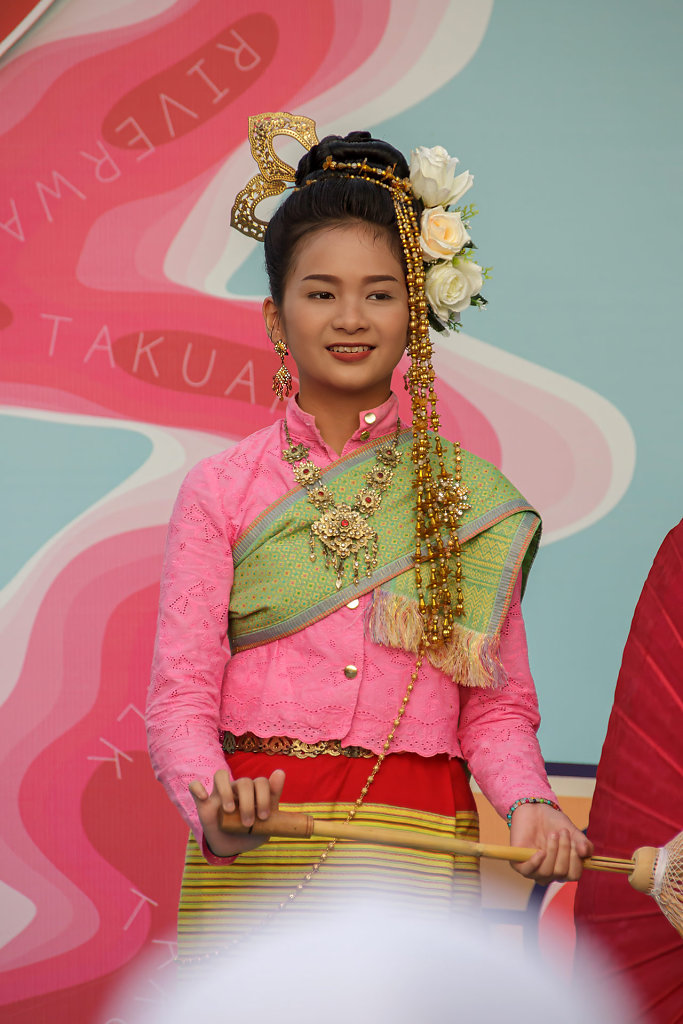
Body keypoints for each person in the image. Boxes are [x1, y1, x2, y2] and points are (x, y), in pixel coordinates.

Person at [146, 112, 592, 962]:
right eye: (320, 292)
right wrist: (217, 809)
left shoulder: (464, 498)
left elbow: (493, 706)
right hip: (262, 838)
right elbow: (179, 699)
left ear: (416, 314)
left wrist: (531, 804)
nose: (350, 317)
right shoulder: (222, 490)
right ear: (277, 319)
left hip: (418, 843)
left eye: (380, 292)